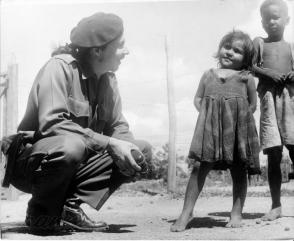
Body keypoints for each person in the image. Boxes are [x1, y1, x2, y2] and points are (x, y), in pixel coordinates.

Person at [1, 12, 152, 233]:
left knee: (140, 149)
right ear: (98, 50)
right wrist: (110, 144)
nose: (126, 51)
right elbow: (52, 125)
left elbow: (118, 126)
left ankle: (69, 206)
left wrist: (128, 151)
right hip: (33, 165)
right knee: (72, 145)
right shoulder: (59, 67)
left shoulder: (108, 80)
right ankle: (40, 212)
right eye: (120, 45)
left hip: (75, 163)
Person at [170, 30, 260, 232]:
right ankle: (186, 212)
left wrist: (239, 122)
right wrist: (207, 116)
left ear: (245, 59)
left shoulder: (246, 78)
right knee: (199, 167)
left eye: (237, 51)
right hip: (209, 128)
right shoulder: (208, 75)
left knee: (239, 169)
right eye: (227, 47)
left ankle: (236, 212)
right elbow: (198, 99)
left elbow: (253, 105)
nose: (229, 52)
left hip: (236, 130)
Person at [252, 0, 294, 221]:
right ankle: (276, 205)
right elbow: (251, 66)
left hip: (290, 98)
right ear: (262, 21)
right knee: (274, 152)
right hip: (268, 97)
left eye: (276, 17)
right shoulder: (260, 43)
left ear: (287, 20)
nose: (272, 21)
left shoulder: (291, 46)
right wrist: (268, 74)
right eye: (268, 17)